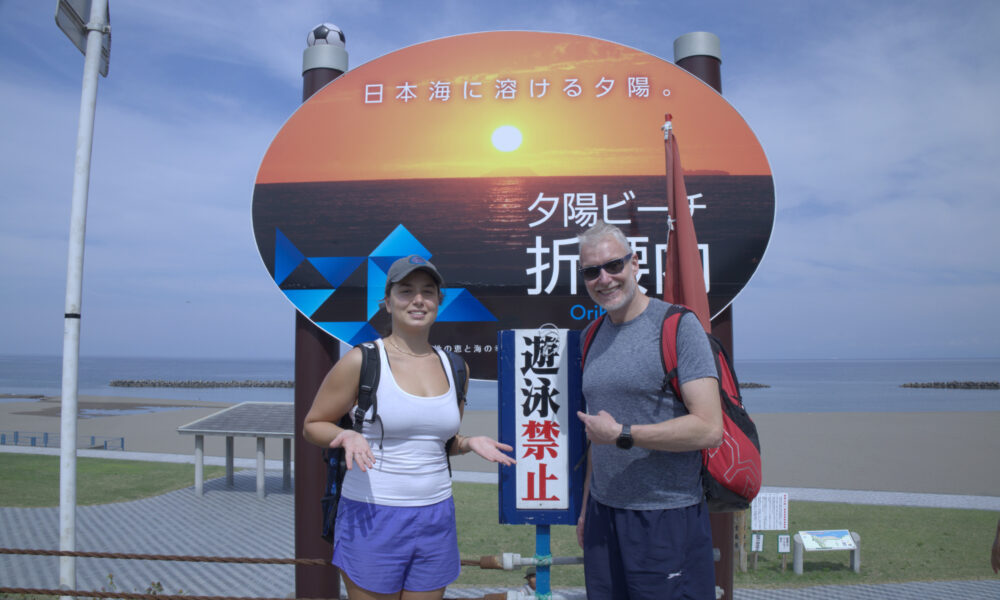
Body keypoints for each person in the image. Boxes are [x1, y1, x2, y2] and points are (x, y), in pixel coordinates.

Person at [303, 255, 516, 600]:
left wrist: (467, 442)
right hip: (371, 516)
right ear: (387, 302)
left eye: (427, 292)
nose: (418, 300)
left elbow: (440, 441)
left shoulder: (456, 367)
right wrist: (346, 434)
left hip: (437, 515)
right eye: (406, 291)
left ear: (438, 302)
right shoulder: (362, 360)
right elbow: (313, 425)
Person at [573, 221, 723, 600]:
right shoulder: (590, 337)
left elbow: (709, 428)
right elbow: (597, 433)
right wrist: (587, 507)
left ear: (635, 263)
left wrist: (624, 434)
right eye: (592, 271)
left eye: (614, 266)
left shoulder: (678, 326)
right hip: (604, 516)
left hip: (666, 516)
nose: (604, 279)